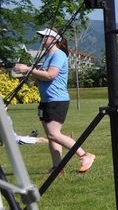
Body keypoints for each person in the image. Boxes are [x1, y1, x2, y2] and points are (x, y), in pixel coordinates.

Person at [12, 28, 96, 173]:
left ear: (54, 39)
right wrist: (29, 73)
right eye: (42, 36)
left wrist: (27, 69)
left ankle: (84, 155)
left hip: (57, 100)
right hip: (46, 100)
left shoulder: (58, 55)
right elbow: (42, 77)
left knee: (54, 134)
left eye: (46, 36)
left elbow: (50, 75)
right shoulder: (47, 56)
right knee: (52, 137)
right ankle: (57, 168)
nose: (42, 38)